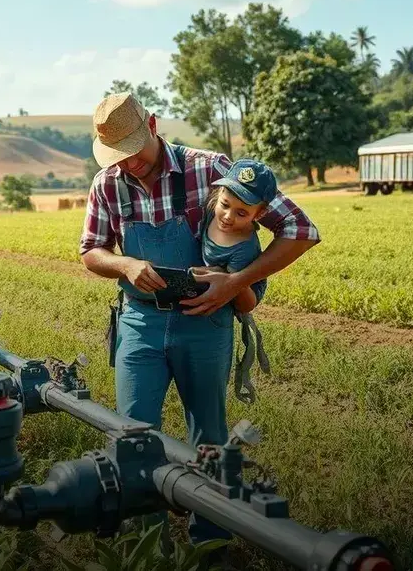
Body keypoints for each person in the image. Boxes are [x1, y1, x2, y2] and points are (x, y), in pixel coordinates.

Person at [79, 92, 321, 559]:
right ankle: (149, 542)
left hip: (206, 325)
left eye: (134, 150)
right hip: (140, 323)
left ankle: (209, 540)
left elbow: (299, 230)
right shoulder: (106, 185)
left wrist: (235, 284)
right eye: (118, 156)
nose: (128, 164)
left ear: (152, 123)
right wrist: (125, 264)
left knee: (208, 435)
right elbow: (91, 249)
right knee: (133, 434)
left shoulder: (210, 169)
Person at [196, 158, 279, 405]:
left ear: (260, 214)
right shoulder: (211, 211)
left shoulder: (244, 249)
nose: (228, 217)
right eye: (225, 205)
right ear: (219, 193)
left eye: (242, 213)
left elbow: (246, 303)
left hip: (233, 302)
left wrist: (232, 281)